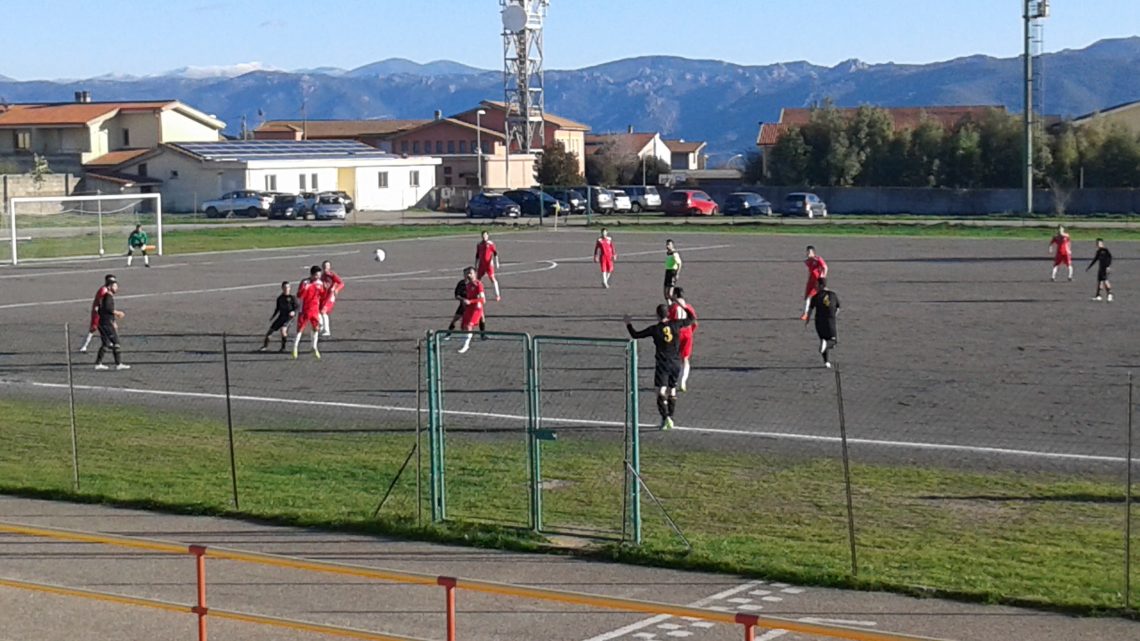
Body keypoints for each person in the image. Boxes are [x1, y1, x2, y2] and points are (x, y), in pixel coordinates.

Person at [625, 304, 694, 430]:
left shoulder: (655, 329)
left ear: (657, 315)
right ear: (668, 314)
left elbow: (636, 335)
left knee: (660, 391)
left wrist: (628, 323)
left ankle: (665, 417)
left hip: (663, 364)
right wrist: (683, 305)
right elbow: (691, 319)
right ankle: (671, 418)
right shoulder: (676, 324)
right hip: (676, 363)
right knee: (672, 390)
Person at [93, 277, 129, 371]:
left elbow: (103, 310)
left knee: (105, 343)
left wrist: (113, 321)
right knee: (116, 342)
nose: (117, 288)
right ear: (109, 287)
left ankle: (98, 363)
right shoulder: (108, 297)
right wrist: (118, 313)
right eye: (115, 286)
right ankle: (118, 364)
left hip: (105, 322)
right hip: (105, 323)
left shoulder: (107, 297)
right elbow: (108, 309)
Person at [805, 278, 841, 368]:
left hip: (818, 321)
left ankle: (826, 362)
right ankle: (826, 354)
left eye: (817, 285)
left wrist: (807, 320)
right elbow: (838, 308)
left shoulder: (815, 296)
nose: (816, 287)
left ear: (821, 285)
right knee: (833, 341)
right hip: (829, 320)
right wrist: (834, 316)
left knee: (823, 340)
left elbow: (810, 309)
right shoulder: (833, 295)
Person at [292, 265, 326, 359]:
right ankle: (295, 347)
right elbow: (299, 295)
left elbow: (322, 295)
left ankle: (314, 347)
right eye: (316, 275)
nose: (318, 277)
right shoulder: (305, 282)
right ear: (311, 274)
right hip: (304, 310)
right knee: (300, 330)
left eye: (319, 275)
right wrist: (305, 288)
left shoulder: (320, 283)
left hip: (314, 309)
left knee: (316, 328)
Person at [668, 287, 698, 392]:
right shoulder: (689, 307)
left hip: (677, 333)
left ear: (675, 295)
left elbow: (669, 321)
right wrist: (690, 332)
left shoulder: (673, 307)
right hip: (688, 333)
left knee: (673, 358)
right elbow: (694, 322)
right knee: (685, 359)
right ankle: (683, 382)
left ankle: (673, 381)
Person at [79, 274, 116, 352]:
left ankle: (110, 342)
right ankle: (84, 346)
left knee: (108, 326)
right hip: (98, 312)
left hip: (104, 312)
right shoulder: (103, 290)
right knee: (93, 328)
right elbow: (99, 301)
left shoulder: (108, 290)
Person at [261, 281, 298, 352]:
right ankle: (265, 346)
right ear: (282, 288)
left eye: (287, 287)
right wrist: (273, 316)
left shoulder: (293, 298)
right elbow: (277, 308)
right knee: (269, 332)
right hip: (281, 317)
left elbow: (297, 307)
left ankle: (283, 348)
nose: (286, 289)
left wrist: (293, 312)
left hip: (288, 318)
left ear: (290, 288)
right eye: (284, 287)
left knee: (283, 331)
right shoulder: (280, 298)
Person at [457, 266, 486, 354]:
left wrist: (471, 301)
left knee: (469, 325)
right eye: (466, 274)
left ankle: (466, 345)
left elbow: (483, 300)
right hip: (469, 308)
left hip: (476, 308)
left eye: (470, 273)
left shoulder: (478, 284)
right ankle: (465, 341)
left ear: (475, 274)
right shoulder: (468, 285)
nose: (468, 275)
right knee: (463, 326)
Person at [801, 245, 828, 321]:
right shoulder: (808, 261)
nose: (808, 253)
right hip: (811, 281)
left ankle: (827, 311)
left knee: (821, 296)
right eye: (807, 252)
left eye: (809, 252)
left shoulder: (818, 259)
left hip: (818, 281)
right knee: (808, 297)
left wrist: (823, 277)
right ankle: (805, 314)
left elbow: (825, 267)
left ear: (813, 252)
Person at [318, 260, 345, 337]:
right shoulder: (322, 276)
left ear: (329, 267)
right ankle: (322, 327)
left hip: (330, 296)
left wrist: (336, 289)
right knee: (319, 311)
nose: (325, 268)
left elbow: (341, 283)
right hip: (324, 296)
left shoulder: (332, 275)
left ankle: (326, 330)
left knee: (323, 311)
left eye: (327, 266)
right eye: (324, 266)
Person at [476, 231, 501, 302]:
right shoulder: (479, 244)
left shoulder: (490, 244)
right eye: (483, 235)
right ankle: (479, 295)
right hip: (481, 265)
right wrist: (476, 264)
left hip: (489, 265)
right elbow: (477, 255)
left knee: (492, 279)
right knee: (478, 280)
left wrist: (497, 262)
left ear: (488, 236)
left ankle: (497, 295)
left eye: (485, 235)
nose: (484, 237)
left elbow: (495, 253)